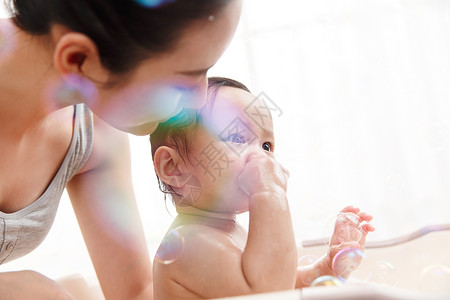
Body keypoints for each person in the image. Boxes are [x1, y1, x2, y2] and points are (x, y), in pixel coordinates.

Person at [0, 1, 242, 299]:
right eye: (185, 77)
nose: (198, 99)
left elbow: (136, 292)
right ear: (79, 59)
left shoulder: (93, 130)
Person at [150, 77, 375, 299]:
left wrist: (328, 268)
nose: (261, 155)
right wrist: (269, 192)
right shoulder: (189, 245)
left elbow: (283, 284)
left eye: (266, 145)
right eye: (237, 136)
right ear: (173, 168)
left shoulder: (227, 232)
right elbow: (270, 294)